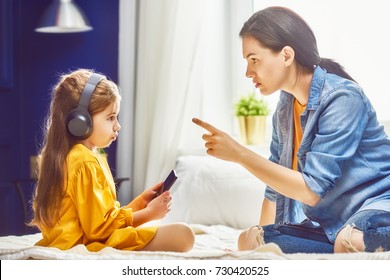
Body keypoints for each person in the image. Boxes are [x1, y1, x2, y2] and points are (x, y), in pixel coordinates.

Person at [193, 6, 390, 253]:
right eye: (246, 61)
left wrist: (240, 154)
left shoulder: (342, 97)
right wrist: (261, 249)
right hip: (335, 225)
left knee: (349, 241)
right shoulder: (285, 108)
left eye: (254, 60)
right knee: (252, 240)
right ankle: (347, 247)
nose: (248, 72)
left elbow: (310, 191)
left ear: (286, 55)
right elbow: (275, 189)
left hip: (378, 207)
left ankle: (353, 244)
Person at [30, 68, 194, 252]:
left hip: (86, 239)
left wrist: (140, 203)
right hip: (86, 245)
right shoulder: (84, 161)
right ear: (80, 121)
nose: (118, 126)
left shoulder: (77, 156)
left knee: (178, 233)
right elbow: (99, 230)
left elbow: (103, 218)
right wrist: (148, 214)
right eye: (110, 118)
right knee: (184, 234)